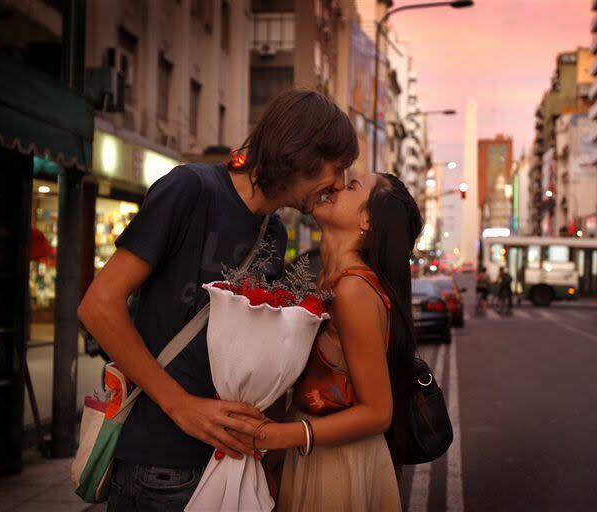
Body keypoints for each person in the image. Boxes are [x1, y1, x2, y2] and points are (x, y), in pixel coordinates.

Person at [77, 88, 359, 511]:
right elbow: (98, 306)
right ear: (300, 152)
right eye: (336, 168)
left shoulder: (274, 233)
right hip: (161, 467)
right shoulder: (190, 189)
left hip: (230, 467)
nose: (338, 183)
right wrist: (182, 407)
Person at [230, 172, 423, 511]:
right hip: (311, 450)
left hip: (338, 464)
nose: (336, 186)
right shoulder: (326, 279)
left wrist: (278, 436)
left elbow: (378, 413)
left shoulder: (353, 290)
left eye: (352, 186)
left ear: (367, 219)